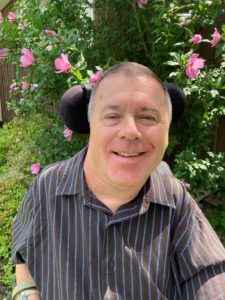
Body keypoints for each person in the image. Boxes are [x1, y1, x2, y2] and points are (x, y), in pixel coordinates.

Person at [11, 62, 225, 300]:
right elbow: (23, 253)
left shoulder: (175, 200)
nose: (130, 131)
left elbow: (211, 276)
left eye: (148, 116)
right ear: (91, 125)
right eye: (112, 116)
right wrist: (27, 294)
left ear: (167, 131)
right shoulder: (46, 187)